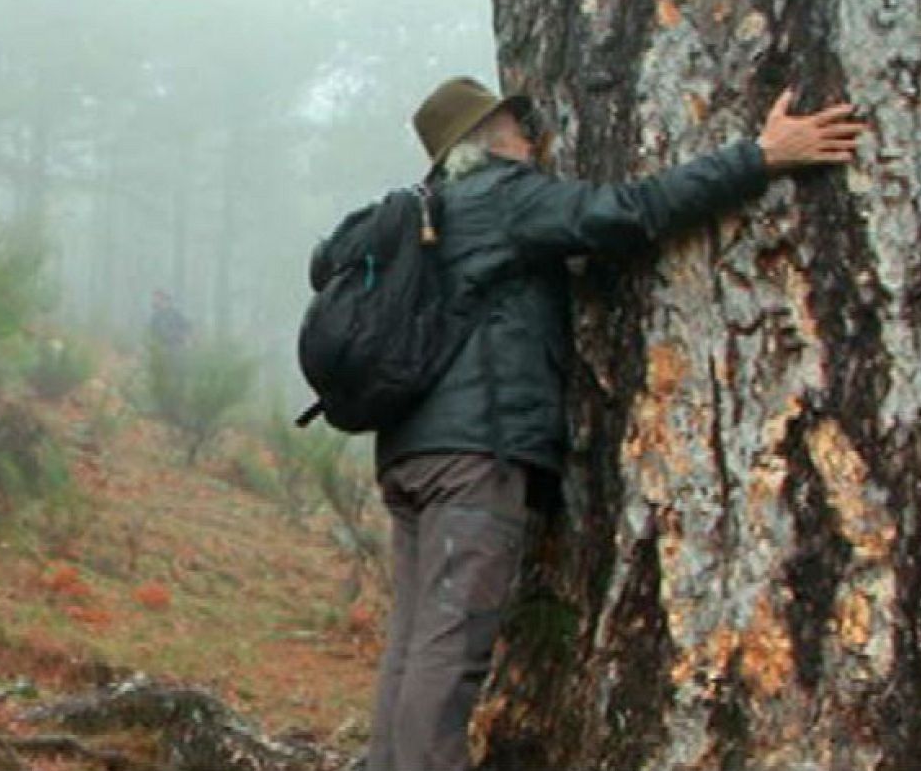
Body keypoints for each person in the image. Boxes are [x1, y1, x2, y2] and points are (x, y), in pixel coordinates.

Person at [366, 77, 867, 771]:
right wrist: (759, 157)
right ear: (492, 141)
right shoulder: (504, 195)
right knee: (450, 648)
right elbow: (629, 211)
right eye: (521, 123)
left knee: (415, 642)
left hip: (410, 454)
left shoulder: (436, 215)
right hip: (475, 452)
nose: (533, 135)